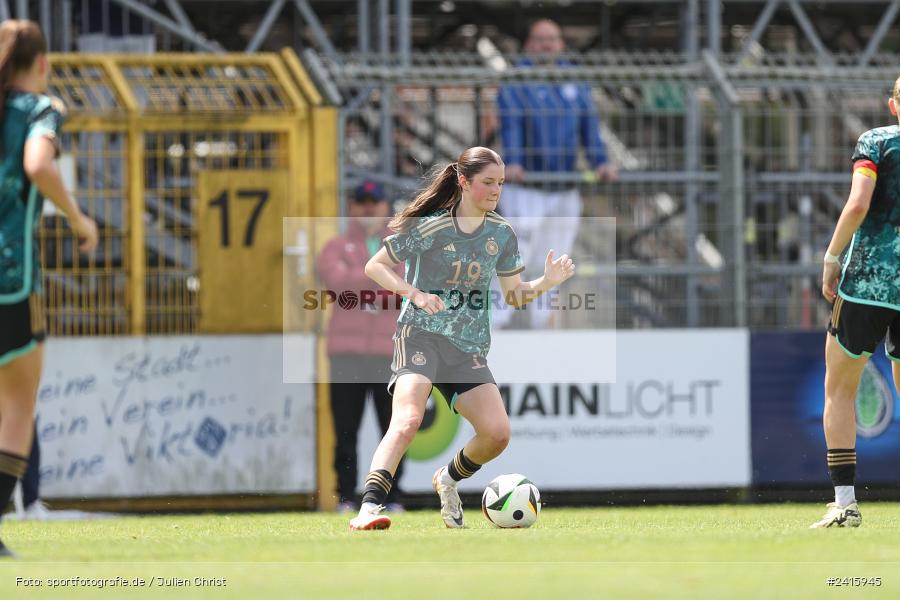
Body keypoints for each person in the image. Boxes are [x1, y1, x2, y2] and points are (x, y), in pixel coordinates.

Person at [349, 146, 575, 530]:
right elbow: (376, 266)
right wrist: (415, 294)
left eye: (501, 183)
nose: (495, 190)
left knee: (497, 434)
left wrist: (547, 282)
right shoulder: (431, 226)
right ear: (464, 182)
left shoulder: (501, 234)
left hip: (467, 348)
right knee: (407, 420)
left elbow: (515, 295)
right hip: (420, 335)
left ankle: (448, 479)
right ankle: (368, 508)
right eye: (488, 182)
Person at [0, 20, 98, 556]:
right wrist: (79, 219)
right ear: (40, 64)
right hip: (10, 275)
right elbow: (38, 164)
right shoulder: (39, 108)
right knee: (15, 406)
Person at [814, 77, 900, 528]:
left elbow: (857, 205)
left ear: (892, 105)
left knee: (840, 387)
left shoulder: (876, 142)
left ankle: (844, 503)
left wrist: (831, 258)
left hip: (867, 283)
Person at [493, 19, 616, 330]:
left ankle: (542, 326)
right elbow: (512, 125)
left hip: (564, 187)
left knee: (554, 260)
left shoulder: (574, 80)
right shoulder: (517, 80)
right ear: (529, 45)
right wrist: (515, 162)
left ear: (561, 44)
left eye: (553, 39)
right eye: (540, 39)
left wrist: (599, 161)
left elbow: (590, 127)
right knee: (515, 258)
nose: (547, 45)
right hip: (528, 186)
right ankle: (494, 325)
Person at [316, 181, 405, 513]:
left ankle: (392, 497)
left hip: (389, 351)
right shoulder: (335, 246)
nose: (369, 208)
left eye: (375, 201)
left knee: (395, 427)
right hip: (347, 353)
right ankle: (346, 497)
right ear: (352, 206)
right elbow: (335, 284)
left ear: (385, 206)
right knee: (345, 430)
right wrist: (378, 274)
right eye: (362, 201)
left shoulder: (399, 245)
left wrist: (361, 275)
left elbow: (402, 288)